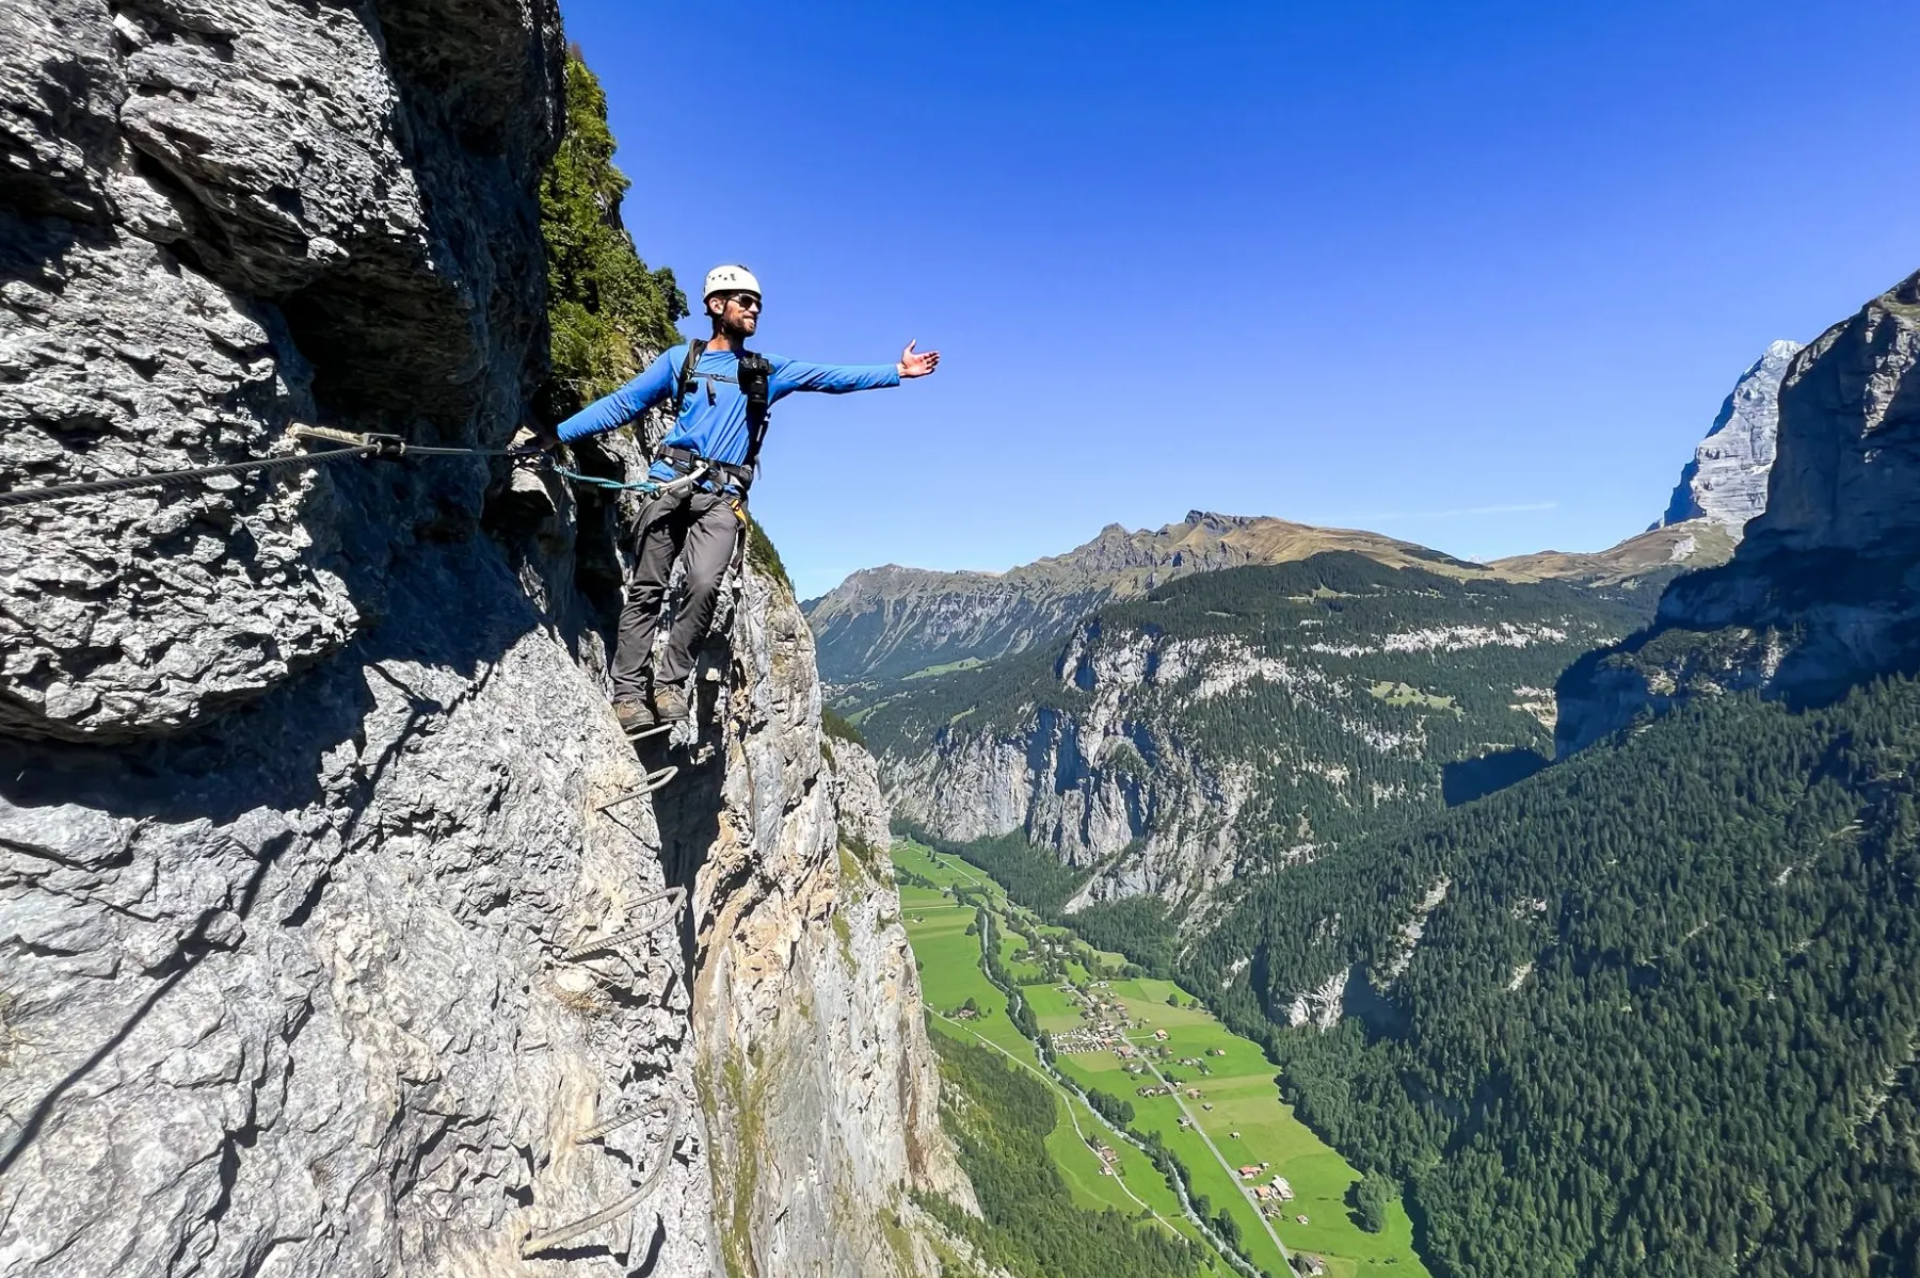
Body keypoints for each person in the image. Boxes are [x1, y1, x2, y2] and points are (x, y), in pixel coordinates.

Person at [554, 264, 940, 731]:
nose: (755, 308)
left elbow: (830, 377)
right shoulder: (682, 362)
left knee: (702, 585)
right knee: (647, 590)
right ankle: (629, 693)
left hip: (721, 498)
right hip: (669, 483)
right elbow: (623, 403)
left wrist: (896, 371)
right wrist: (556, 435)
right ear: (717, 307)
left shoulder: (765, 371)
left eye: (757, 303)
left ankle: (670, 684)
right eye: (745, 301)